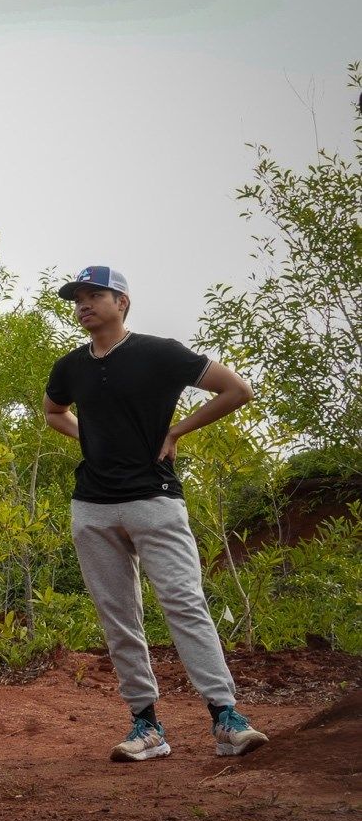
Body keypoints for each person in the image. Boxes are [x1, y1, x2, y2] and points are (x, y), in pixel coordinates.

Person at [43, 266, 267, 761]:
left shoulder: (160, 352)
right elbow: (54, 412)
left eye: (94, 295)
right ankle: (146, 726)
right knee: (118, 616)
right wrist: (90, 439)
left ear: (122, 301)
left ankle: (226, 716)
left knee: (184, 602)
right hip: (92, 506)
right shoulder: (70, 366)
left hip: (154, 498)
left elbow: (237, 389)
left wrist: (177, 430)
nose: (83, 305)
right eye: (77, 298)